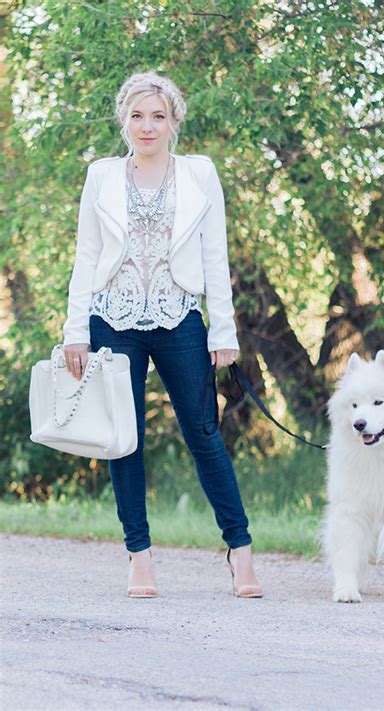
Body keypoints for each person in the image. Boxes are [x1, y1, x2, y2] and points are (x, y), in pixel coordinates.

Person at [62, 71, 262, 599]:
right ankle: (140, 557)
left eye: (157, 116)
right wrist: (74, 331)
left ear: (174, 120)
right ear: (123, 120)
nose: (146, 126)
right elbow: (85, 258)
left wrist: (224, 331)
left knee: (204, 434)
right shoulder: (101, 175)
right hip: (112, 320)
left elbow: (215, 256)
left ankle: (240, 552)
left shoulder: (199, 173)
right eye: (136, 115)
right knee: (124, 442)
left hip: (180, 318)